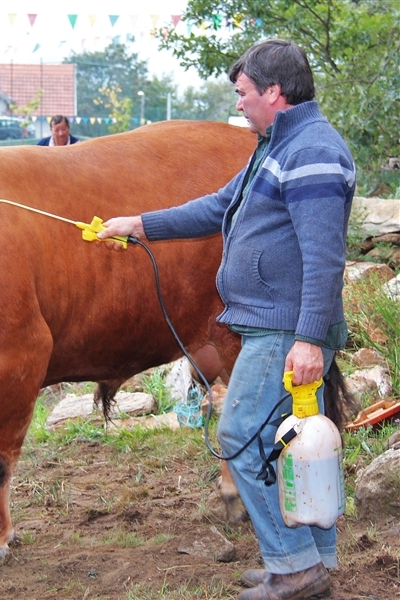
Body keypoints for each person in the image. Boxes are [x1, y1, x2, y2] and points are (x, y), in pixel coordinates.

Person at [98, 39, 355, 600]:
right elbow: (217, 207)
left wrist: (309, 340)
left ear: (273, 92)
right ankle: (309, 562)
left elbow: (324, 258)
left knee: (239, 435)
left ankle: (294, 570)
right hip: (273, 324)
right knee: (286, 442)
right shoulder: (275, 146)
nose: (237, 104)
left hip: (286, 329)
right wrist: (139, 224)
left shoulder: (312, 152)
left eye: (242, 93)